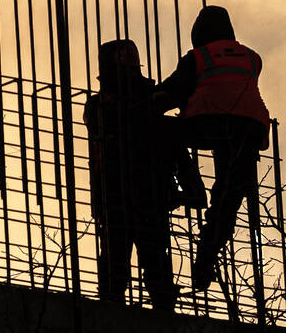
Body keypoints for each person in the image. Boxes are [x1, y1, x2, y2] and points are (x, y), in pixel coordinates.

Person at [156, 5, 271, 291]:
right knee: (227, 199)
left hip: (209, 122)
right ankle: (206, 259)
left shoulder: (197, 57)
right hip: (248, 130)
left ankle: (188, 188)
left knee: (165, 132)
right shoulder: (253, 57)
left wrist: (142, 102)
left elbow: (173, 93)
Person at [84, 39, 200, 312]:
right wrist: (190, 187)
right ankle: (155, 311)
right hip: (144, 195)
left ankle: (122, 311)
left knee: (123, 267)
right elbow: (174, 145)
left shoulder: (104, 106)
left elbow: (172, 144)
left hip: (122, 196)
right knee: (146, 265)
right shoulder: (140, 105)